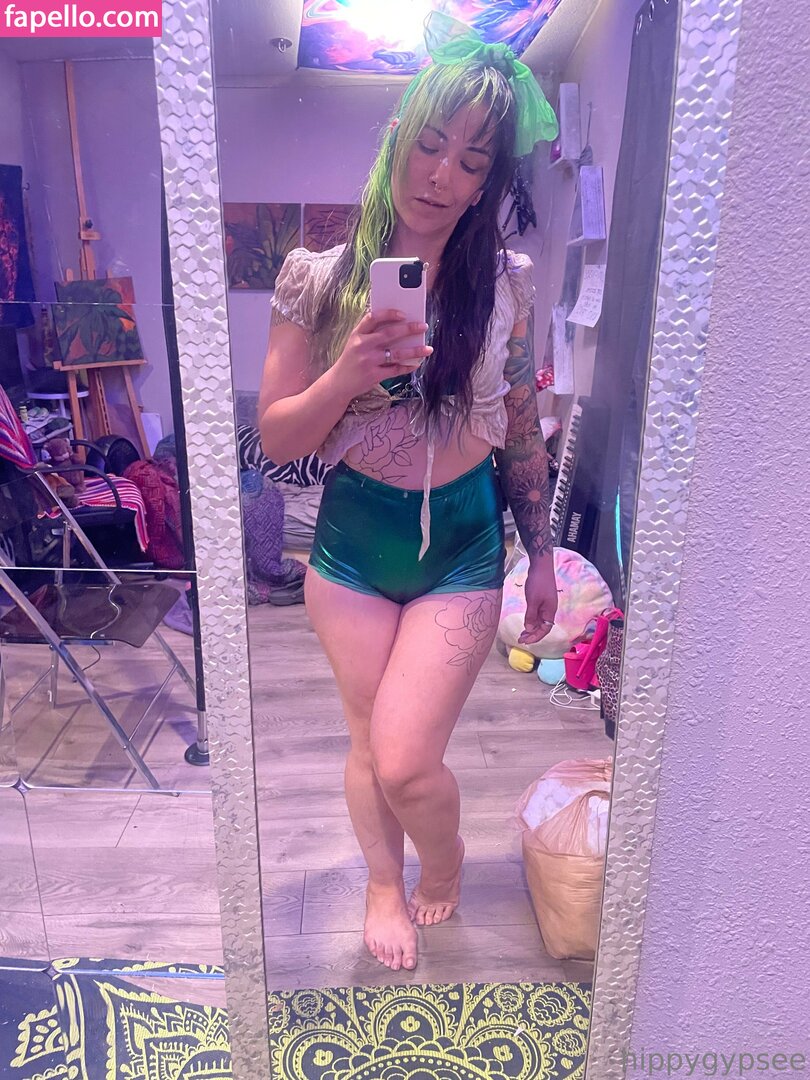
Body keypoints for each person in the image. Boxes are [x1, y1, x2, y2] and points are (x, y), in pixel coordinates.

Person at [258, 13, 560, 974]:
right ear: (394, 137)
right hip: (352, 540)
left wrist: (543, 553)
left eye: (471, 161)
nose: (441, 176)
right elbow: (276, 440)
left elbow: (519, 421)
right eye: (429, 144)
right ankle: (383, 884)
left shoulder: (505, 285)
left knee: (406, 758)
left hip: (462, 540)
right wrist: (347, 373)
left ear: (487, 181)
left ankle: (448, 853)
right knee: (366, 742)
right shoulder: (317, 279)